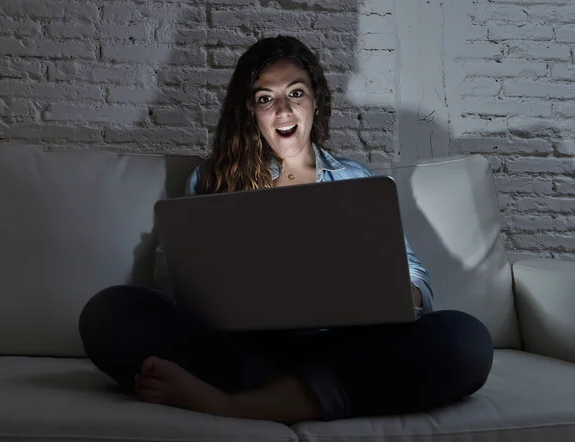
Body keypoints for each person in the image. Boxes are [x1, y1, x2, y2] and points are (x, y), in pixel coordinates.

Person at [79, 35, 493, 424]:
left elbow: (415, 277)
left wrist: (403, 294)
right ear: (251, 112)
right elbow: (174, 282)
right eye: (265, 99)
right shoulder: (213, 179)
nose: (283, 111)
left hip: (341, 347)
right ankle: (303, 395)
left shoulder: (355, 180)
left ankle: (235, 404)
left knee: (465, 341)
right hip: (242, 351)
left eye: (296, 93)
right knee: (109, 314)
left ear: (316, 101)